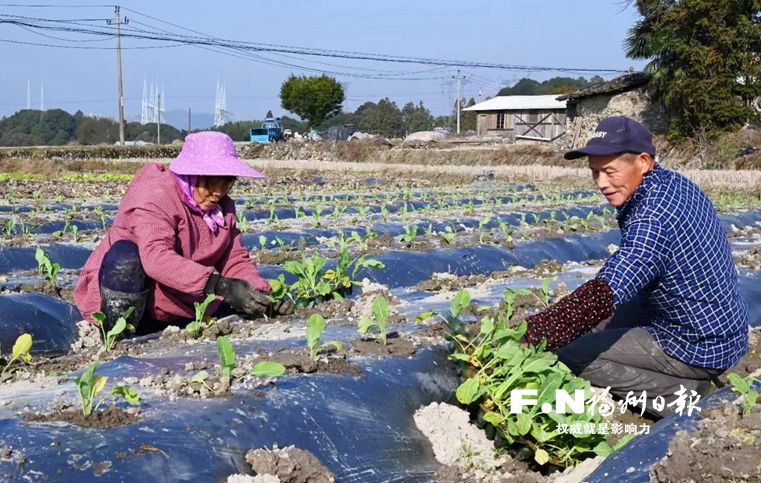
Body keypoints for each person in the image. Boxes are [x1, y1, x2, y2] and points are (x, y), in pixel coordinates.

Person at [523, 116, 749, 418]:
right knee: (593, 323)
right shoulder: (669, 183)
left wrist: (536, 334)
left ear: (642, 161)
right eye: (595, 172)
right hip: (720, 326)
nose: (601, 183)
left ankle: (681, 398)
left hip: (699, 344)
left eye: (609, 171)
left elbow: (612, 285)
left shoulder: (652, 217)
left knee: (571, 352)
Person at [74, 131, 292, 334]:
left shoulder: (223, 209)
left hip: (180, 299)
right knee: (127, 258)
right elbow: (156, 258)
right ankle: (117, 337)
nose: (218, 192)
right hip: (134, 292)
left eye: (225, 183)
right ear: (191, 174)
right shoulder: (156, 195)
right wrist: (221, 286)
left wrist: (260, 294)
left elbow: (234, 259)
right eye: (210, 182)